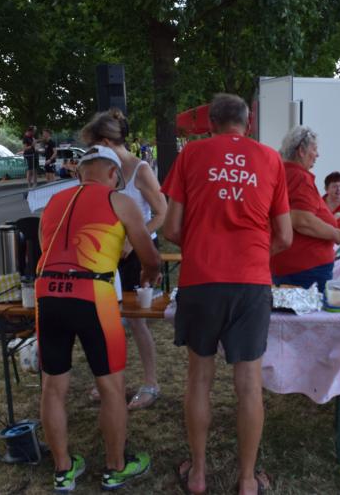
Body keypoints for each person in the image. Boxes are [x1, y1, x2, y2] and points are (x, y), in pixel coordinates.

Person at [162, 93, 291, 495]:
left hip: (200, 278)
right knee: (249, 384)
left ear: (210, 124)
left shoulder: (191, 154)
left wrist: (202, 247)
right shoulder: (270, 159)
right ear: (248, 124)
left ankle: (198, 474)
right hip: (251, 281)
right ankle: (247, 480)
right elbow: (285, 236)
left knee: (199, 378)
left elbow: (170, 228)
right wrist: (253, 257)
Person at [35, 143, 160, 491]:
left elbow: (49, 248)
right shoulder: (120, 201)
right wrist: (150, 274)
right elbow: (150, 256)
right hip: (93, 294)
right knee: (111, 386)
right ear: (113, 173)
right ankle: (115, 466)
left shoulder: (52, 203)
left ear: (79, 173)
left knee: (53, 386)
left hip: (47, 294)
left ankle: (63, 470)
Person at [82, 109, 168, 411]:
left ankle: (150, 383)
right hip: (109, 253)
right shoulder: (104, 170)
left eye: (94, 146)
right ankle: (108, 379)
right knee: (105, 317)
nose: (91, 154)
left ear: (106, 142)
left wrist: (134, 239)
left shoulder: (139, 169)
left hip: (137, 254)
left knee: (136, 320)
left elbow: (162, 212)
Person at [271, 125, 340, 292]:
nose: (317, 155)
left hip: (290, 265)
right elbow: (302, 220)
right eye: (314, 149)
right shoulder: (299, 177)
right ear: (301, 151)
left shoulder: (283, 173)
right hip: (306, 269)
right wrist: (335, 234)